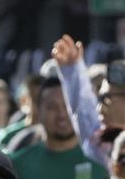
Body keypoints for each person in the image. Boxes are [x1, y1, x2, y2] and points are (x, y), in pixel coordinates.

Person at [53, 34, 125, 166]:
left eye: (106, 99)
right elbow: (85, 117)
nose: (98, 108)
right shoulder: (107, 143)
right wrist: (72, 70)